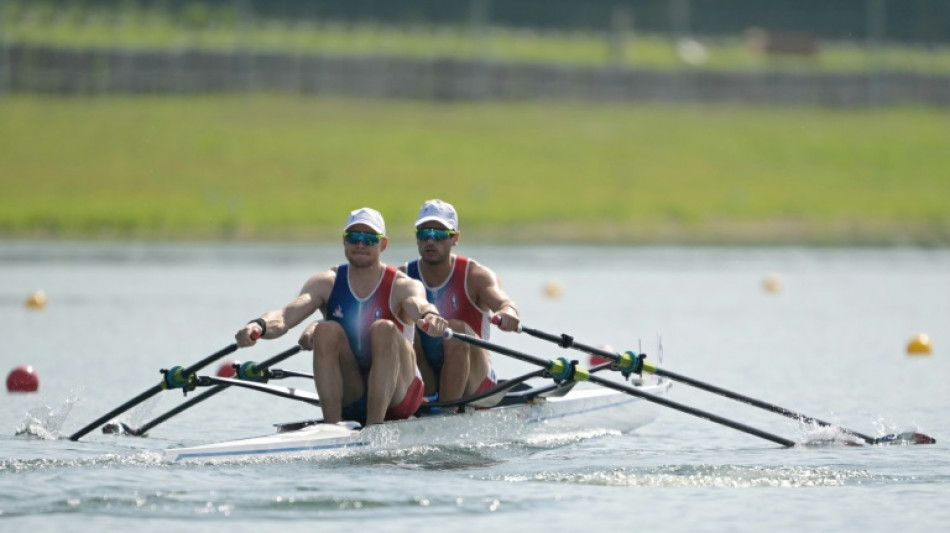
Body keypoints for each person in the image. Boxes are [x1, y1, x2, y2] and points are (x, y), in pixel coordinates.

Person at [235, 207, 448, 426]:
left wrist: (430, 315)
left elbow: (419, 304)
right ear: (344, 241)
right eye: (354, 237)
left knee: (384, 328)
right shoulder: (325, 282)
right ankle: (331, 427)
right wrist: (258, 326)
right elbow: (284, 317)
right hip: (352, 391)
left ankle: (375, 428)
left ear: (383, 244)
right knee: (325, 330)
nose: (361, 244)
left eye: (369, 238)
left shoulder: (403, 285)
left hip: (399, 396)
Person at [400, 199, 521, 404]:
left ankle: (446, 412)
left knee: (457, 329)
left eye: (439, 235)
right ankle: (425, 400)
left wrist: (509, 313)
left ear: (455, 238)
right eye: (424, 234)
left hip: (476, 383)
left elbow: (504, 303)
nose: (430, 241)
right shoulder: (403, 276)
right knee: (408, 327)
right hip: (427, 376)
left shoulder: (475, 275)